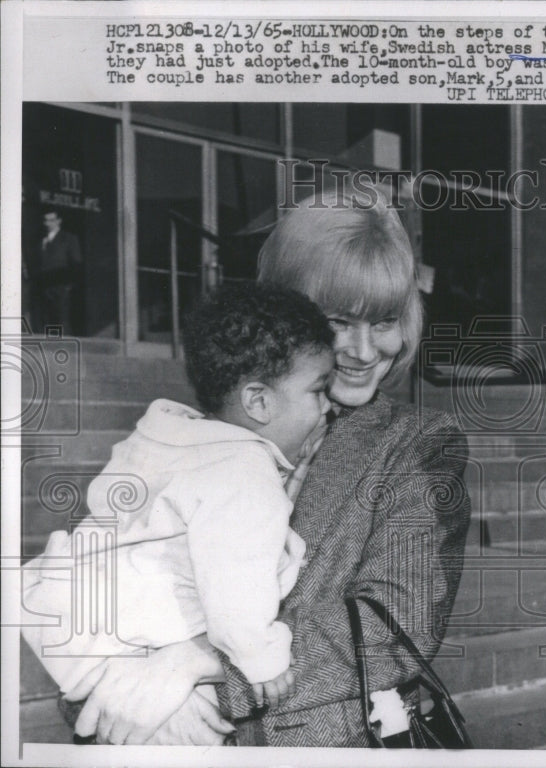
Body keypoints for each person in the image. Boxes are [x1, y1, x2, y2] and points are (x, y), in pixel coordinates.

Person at [63, 184, 472, 748]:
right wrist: (110, 681)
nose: (362, 349)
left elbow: (394, 625)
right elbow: (105, 572)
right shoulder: (203, 433)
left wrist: (199, 669)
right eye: (338, 320)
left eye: (382, 321)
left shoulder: (417, 445)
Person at [21, 282, 335, 733]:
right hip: (144, 647)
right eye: (317, 390)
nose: (327, 407)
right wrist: (264, 660)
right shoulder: (244, 473)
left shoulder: (172, 434)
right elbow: (237, 594)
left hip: (87, 630)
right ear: (258, 401)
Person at [32, 209, 83, 333]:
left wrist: (68, 285)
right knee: (46, 319)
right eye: (45, 220)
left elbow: (76, 263)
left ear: (59, 221)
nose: (47, 223)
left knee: (61, 319)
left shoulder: (69, 239)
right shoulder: (42, 241)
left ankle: (67, 349)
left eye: (51, 220)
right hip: (44, 287)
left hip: (61, 287)